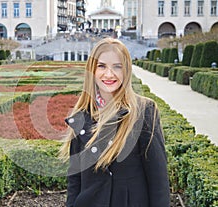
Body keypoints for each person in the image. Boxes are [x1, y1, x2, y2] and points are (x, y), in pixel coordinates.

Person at [60, 37, 170, 207]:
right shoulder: (80, 117)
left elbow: (159, 181)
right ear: (92, 70)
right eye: (102, 66)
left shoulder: (144, 111)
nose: (109, 74)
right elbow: (75, 180)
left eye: (117, 67)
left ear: (126, 71)